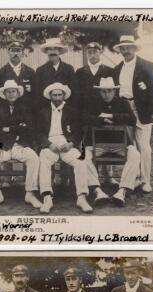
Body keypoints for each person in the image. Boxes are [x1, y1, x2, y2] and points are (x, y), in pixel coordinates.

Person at [37, 82, 107, 214]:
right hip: (50, 145)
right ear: (50, 96)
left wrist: (71, 143)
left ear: (64, 96)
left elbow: (78, 132)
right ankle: (47, 197)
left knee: (80, 161)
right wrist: (48, 144)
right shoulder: (43, 112)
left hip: (67, 144)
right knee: (44, 160)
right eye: (54, 95)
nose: (57, 98)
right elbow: (38, 133)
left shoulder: (72, 111)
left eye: (60, 95)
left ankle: (81, 197)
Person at [83, 77, 141, 207]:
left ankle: (122, 190)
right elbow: (84, 118)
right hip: (97, 145)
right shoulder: (93, 103)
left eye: (109, 91)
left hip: (120, 144)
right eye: (103, 91)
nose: (106, 94)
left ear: (115, 91)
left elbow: (132, 120)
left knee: (135, 155)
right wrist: (101, 120)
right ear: (99, 92)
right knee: (83, 157)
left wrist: (112, 116)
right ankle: (97, 190)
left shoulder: (123, 103)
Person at [0, 80, 42, 209]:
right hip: (2, 145)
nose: (11, 94)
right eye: (8, 92)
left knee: (34, 158)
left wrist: (9, 129)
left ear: (18, 93)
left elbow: (29, 128)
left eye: (13, 91)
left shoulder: (25, 108)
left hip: (21, 144)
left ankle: (30, 193)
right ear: (4, 94)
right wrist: (18, 127)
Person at [113, 35, 153, 193]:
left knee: (144, 146)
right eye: (122, 47)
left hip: (142, 110)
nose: (125, 50)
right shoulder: (117, 68)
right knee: (131, 146)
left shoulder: (146, 66)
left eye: (128, 47)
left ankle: (146, 180)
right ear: (119, 50)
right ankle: (135, 178)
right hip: (124, 110)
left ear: (134, 48)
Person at [75, 41, 116, 185]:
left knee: (104, 140)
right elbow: (76, 95)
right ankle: (88, 177)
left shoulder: (109, 71)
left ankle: (108, 175)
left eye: (95, 52)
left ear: (100, 52)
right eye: (89, 52)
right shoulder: (80, 72)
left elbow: (112, 93)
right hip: (85, 114)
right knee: (87, 144)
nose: (92, 55)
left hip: (103, 112)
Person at [0, 41, 36, 112]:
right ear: (8, 52)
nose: (15, 53)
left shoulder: (30, 72)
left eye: (18, 51)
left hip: (26, 112)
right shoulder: (0, 73)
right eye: (13, 51)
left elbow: (35, 94)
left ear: (22, 53)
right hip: (7, 112)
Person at [36, 38, 75, 105]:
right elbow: (38, 94)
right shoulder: (40, 70)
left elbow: (74, 91)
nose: (52, 52)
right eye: (49, 49)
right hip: (46, 108)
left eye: (55, 49)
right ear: (46, 52)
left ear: (59, 51)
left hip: (65, 108)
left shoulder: (69, 69)